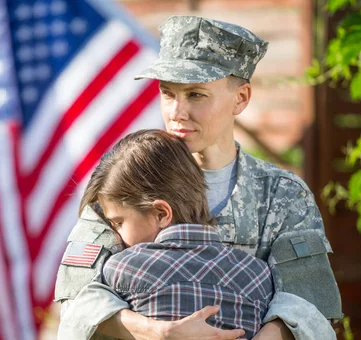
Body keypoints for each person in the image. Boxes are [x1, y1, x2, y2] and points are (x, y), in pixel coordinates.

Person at [55, 16, 342, 340]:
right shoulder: (125, 180)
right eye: (168, 93)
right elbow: (76, 304)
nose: (177, 112)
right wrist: (157, 331)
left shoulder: (281, 195)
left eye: (195, 95)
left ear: (241, 98)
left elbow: (311, 309)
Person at [79, 129, 274, 339]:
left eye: (118, 222)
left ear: (161, 214)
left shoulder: (122, 269)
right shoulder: (258, 276)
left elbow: (78, 309)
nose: (116, 234)